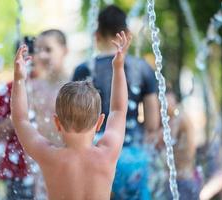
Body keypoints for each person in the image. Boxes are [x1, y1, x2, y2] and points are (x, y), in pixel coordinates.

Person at [11, 31, 130, 199]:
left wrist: (18, 79)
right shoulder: (107, 153)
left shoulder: (49, 156)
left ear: (57, 123)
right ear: (99, 122)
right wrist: (118, 68)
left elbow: (21, 120)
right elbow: (118, 110)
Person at [72, 5, 159, 199]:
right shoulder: (142, 68)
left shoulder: (84, 70)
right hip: (132, 156)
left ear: (97, 35)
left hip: (95, 155)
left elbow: (75, 121)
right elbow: (153, 123)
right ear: (127, 34)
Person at [0, 36, 36, 200]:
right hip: (16, 170)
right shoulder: (7, 90)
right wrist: (18, 114)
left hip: (46, 166)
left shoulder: (46, 88)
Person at [157, 89, 200, 200]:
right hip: (184, 178)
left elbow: (161, 140)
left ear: (174, 100)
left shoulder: (179, 118)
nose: (162, 105)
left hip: (182, 180)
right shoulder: (179, 117)